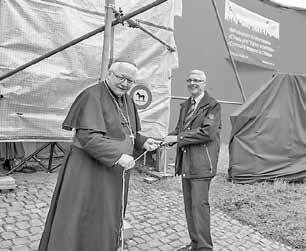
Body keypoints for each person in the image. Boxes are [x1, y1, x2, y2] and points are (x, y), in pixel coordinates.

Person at [38, 61, 159, 251]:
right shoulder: (91, 96)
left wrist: (142, 141)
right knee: (83, 215)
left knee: (108, 215)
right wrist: (118, 156)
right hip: (88, 169)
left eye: (130, 80)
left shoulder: (127, 100)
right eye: (121, 77)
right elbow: (88, 137)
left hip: (113, 171)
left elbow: (125, 129)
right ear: (109, 74)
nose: (125, 84)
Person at [164, 70, 221, 251]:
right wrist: (166, 139)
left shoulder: (212, 106)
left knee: (199, 207)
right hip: (187, 163)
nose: (193, 83)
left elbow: (207, 133)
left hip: (202, 164)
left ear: (204, 83)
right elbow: (180, 129)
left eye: (197, 80)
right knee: (189, 206)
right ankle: (195, 244)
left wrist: (178, 138)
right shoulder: (186, 105)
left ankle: (204, 248)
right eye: (190, 80)